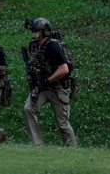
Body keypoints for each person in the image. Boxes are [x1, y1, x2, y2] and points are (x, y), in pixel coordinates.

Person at [23, 18, 77, 147]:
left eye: (36, 31)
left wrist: (47, 81)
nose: (33, 33)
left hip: (58, 88)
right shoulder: (35, 45)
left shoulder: (53, 46)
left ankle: (72, 149)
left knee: (62, 123)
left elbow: (64, 69)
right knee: (28, 108)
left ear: (44, 32)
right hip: (42, 87)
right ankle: (36, 144)